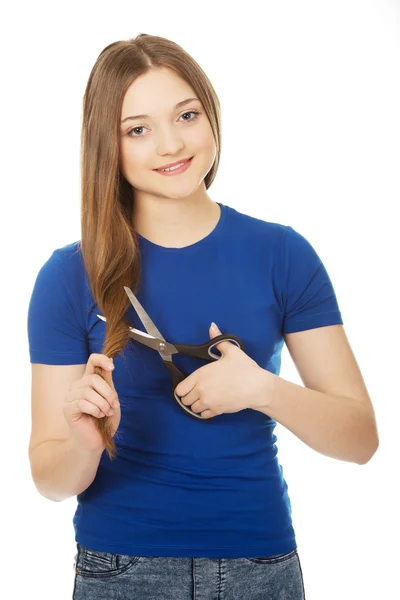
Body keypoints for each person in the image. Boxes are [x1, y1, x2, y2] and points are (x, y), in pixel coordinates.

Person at [27, 33, 379, 600]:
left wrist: (262, 389)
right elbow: (49, 479)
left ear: (211, 115)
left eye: (186, 115)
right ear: (107, 146)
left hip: (259, 565)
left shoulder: (282, 254)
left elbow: (360, 439)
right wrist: (85, 442)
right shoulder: (68, 276)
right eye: (137, 129)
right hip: (121, 568)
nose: (170, 144)